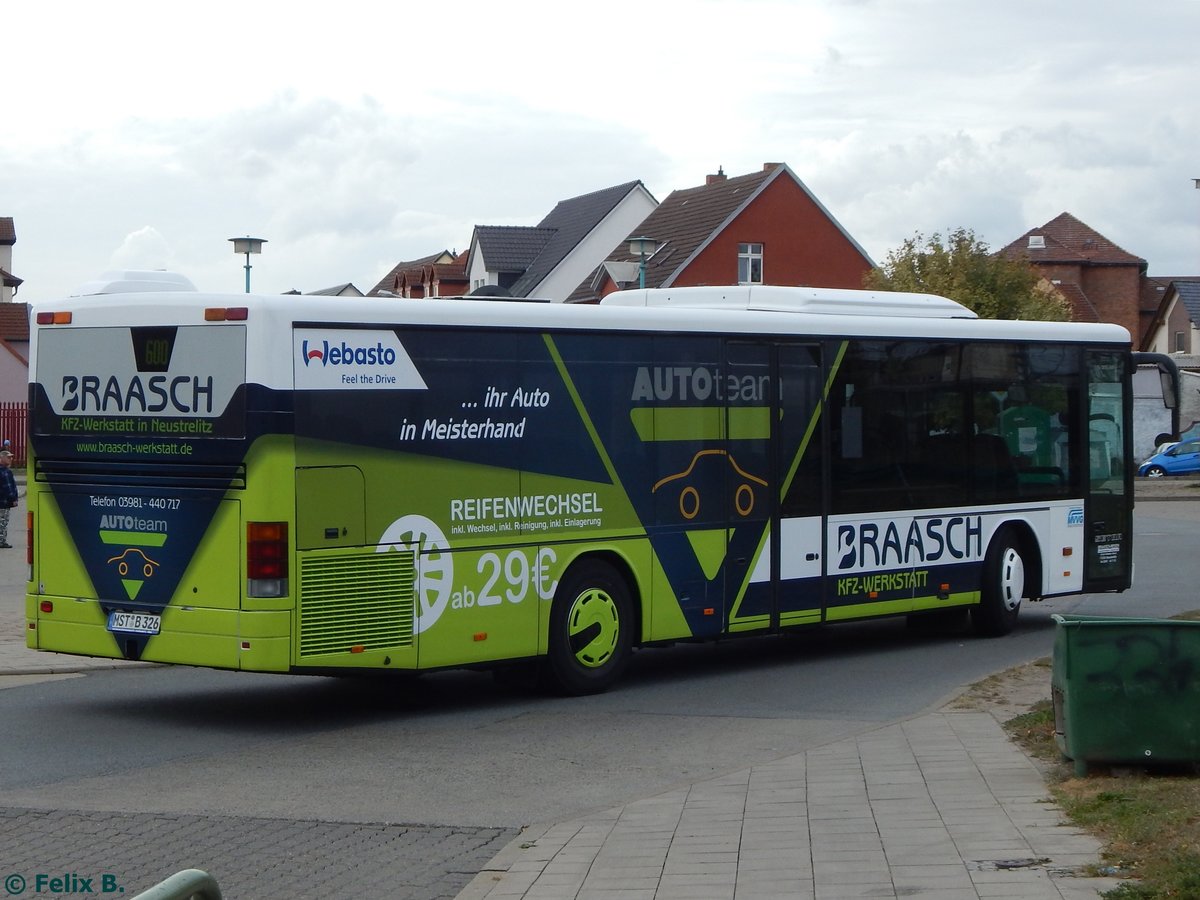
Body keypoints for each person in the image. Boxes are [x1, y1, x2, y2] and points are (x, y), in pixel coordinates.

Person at [0, 450, 17, 549]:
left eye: (11, 457)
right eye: (8, 457)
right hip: (4, 502)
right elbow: (8, 487)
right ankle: (1, 541)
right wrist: (13, 499)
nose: (11, 459)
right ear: (2, 458)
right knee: (3, 521)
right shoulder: (5, 472)